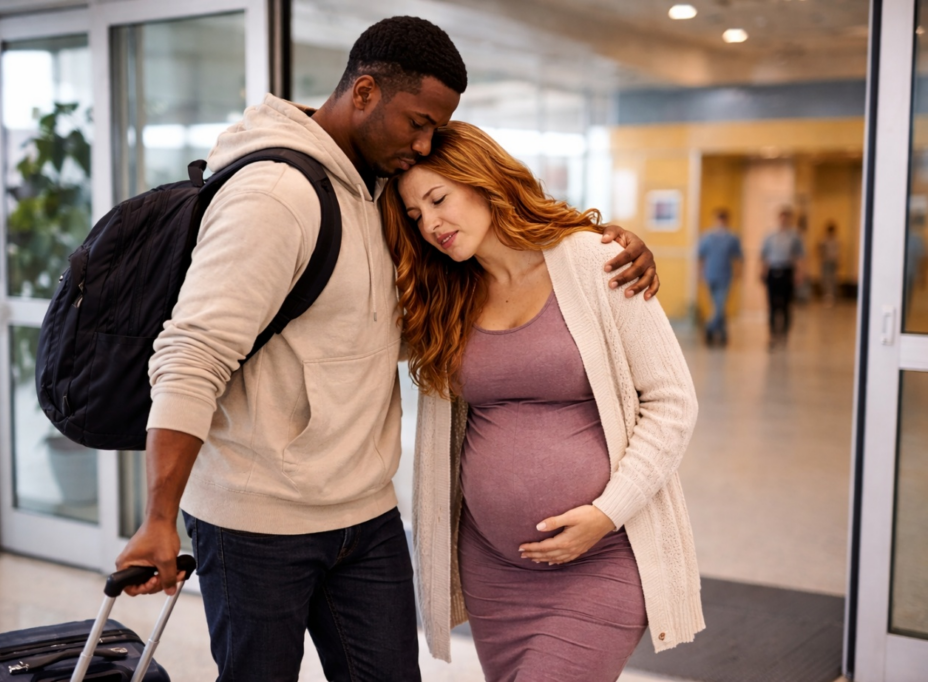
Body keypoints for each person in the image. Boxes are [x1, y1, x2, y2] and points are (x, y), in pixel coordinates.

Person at [114, 17, 660, 681]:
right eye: (418, 122)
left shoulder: (378, 191)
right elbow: (192, 353)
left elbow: (414, 319)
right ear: (365, 93)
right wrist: (159, 517)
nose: (426, 144)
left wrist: (594, 243)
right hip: (258, 520)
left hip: (363, 516)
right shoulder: (276, 194)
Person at [380, 121, 703, 682]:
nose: (431, 224)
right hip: (492, 568)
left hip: (602, 557)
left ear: (484, 181)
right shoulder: (444, 296)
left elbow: (673, 402)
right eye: (416, 216)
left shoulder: (593, 260)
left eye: (439, 199)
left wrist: (607, 514)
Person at [760, 207, 805, 348]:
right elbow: (764, 256)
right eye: (781, 217)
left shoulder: (795, 236)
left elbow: (800, 257)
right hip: (773, 271)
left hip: (787, 271)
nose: (783, 220)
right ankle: (773, 334)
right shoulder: (770, 236)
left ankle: (784, 334)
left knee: (786, 305)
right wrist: (762, 271)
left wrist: (799, 274)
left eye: (786, 218)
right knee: (772, 305)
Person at [697, 208, 743, 345]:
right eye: (719, 219)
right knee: (715, 305)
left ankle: (709, 328)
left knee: (720, 305)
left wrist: (739, 273)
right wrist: (700, 273)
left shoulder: (732, 238)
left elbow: (739, 257)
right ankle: (723, 334)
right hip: (710, 275)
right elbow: (701, 256)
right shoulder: (707, 237)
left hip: (725, 276)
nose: (721, 222)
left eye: (723, 219)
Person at [818, 222, 841, 306]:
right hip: (826, 262)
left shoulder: (836, 240)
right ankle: (826, 296)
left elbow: (837, 253)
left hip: (833, 262)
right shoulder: (824, 240)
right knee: (826, 279)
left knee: (833, 279)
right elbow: (820, 250)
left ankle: (832, 296)